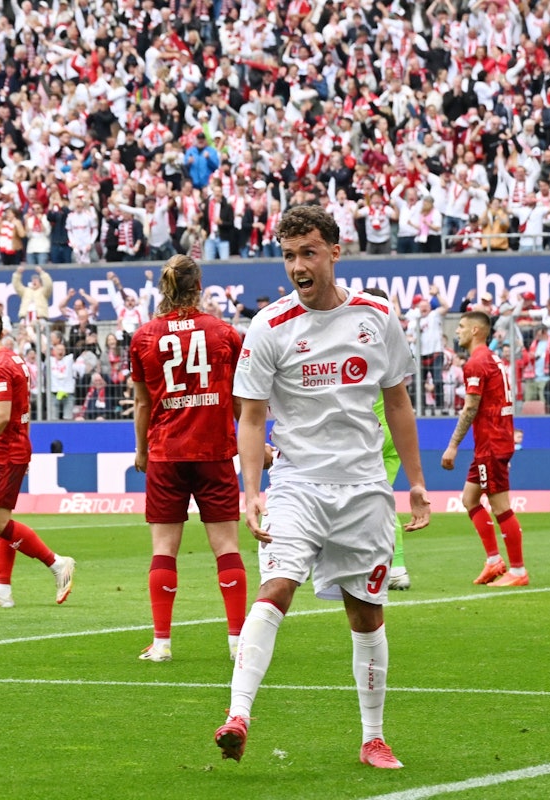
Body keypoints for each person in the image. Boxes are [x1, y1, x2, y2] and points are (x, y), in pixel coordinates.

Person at [214, 205, 431, 770]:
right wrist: (252, 489)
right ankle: (238, 714)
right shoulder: (269, 327)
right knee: (277, 586)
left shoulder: (377, 317)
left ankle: (373, 738)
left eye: (308, 252)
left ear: (335, 252)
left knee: (366, 613)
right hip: (297, 484)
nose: (297, 266)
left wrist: (416, 483)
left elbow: (398, 402)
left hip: (362, 489)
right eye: (288, 256)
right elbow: (253, 417)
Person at [129, 254, 247, 662]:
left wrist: (142, 449)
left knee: (164, 549)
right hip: (213, 450)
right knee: (226, 546)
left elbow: (142, 404)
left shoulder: (144, 336)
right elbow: (238, 399)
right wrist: (255, 444)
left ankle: (162, 642)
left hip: (166, 452)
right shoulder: (224, 333)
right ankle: (237, 642)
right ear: (199, 287)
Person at [0, 305, 76, 608]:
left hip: (6, 448)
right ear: (1, 331)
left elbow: (0, 416)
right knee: (1, 520)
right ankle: (2, 591)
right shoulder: (16, 358)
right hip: (17, 444)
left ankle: (56, 563)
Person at [440, 311, 529, 587]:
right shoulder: (493, 359)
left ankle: (517, 570)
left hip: (492, 443)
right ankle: (494, 562)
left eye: (463, 327)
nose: (458, 331)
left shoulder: (476, 363)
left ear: (477, 331)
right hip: (492, 441)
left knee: (501, 507)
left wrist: (453, 445)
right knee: (469, 498)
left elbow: (470, 407)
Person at [363, 287, 412, 590]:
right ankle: (396, 566)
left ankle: (389, 568)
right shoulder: (395, 341)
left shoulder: (362, 339)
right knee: (382, 498)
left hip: (371, 429)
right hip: (392, 430)